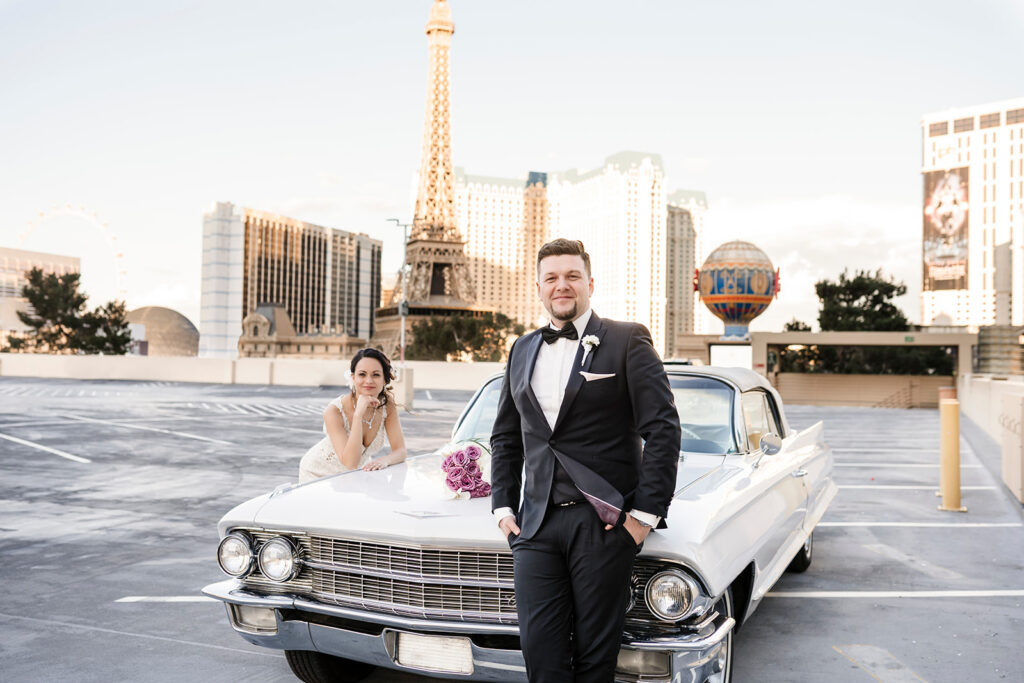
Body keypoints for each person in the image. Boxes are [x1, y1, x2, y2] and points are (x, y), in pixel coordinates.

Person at [490, 238, 681, 682]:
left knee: (596, 664)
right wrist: (503, 506)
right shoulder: (521, 349)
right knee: (542, 660)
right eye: (552, 278)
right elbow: (505, 434)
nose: (562, 285)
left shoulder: (627, 339)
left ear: (590, 283)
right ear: (538, 287)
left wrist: (642, 518)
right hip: (534, 527)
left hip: (604, 525)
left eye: (572, 276)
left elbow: (663, 429)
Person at [298, 348, 407, 483]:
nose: (368, 380)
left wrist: (385, 460)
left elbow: (400, 450)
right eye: (362, 374)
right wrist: (358, 415)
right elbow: (350, 463)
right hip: (318, 474)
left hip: (354, 475)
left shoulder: (387, 405)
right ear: (353, 378)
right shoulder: (334, 411)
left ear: (385, 379)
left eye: (376, 375)